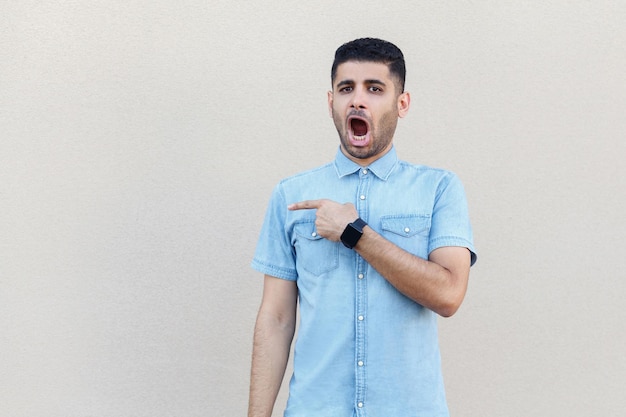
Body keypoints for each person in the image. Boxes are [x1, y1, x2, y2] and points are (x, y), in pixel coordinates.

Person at [248, 37, 477, 417]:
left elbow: (449, 294)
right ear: (331, 103)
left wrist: (355, 233)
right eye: (346, 89)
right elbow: (276, 319)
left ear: (401, 104)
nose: (357, 100)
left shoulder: (439, 188)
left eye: (374, 88)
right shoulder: (291, 194)